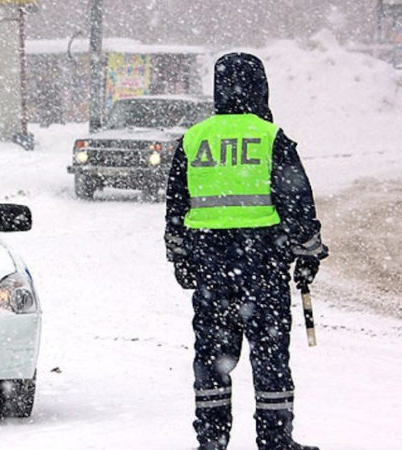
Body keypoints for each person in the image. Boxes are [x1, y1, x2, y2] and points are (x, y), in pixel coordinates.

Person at [164, 53, 328, 450]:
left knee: (212, 357)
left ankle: (212, 440)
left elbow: (175, 205)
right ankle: (275, 440)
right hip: (262, 266)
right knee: (269, 356)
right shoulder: (271, 138)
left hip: (211, 269)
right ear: (261, 87)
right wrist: (307, 254)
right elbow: (297, 203)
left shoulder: (194, 138)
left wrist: (180, 256)